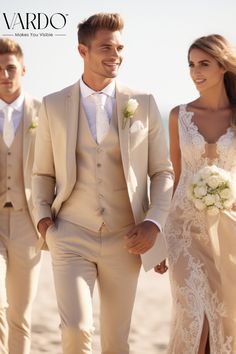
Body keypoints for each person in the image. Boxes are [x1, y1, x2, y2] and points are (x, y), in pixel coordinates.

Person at [31, 12, 173, 354]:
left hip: (126, 239)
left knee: (116, 340)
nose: (116, 55)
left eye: (120, 47)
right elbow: (42, 173)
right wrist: (42, 219)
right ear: (83, 51)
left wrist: (154, 224)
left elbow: (162, 172)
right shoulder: (53, 105)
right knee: (76, 330)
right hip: (70, 235)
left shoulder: (145, 104)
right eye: (106, 47)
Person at [164, 34, 236, 353]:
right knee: (194, 313)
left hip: (227, 232)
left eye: (204, 64)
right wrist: (158, 237)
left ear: (223, 66)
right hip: (183, 231)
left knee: (224, 319)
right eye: (191, 65)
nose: (196, 72)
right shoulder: (179, 116)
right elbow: (175, 176)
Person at [0, 38, 41, 354]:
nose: (4, 74)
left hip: (29, 221)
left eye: (10, 67)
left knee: (21, 315)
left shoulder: (43, 112)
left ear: (23, 68)